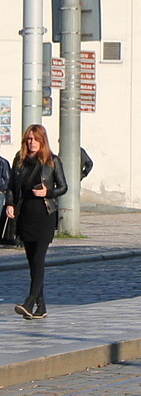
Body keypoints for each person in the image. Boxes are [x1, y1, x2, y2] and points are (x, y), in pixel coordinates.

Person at [4, 124, 68, 320]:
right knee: (32, 263)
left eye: (35, 139)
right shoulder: (20, 161)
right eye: (29, 139)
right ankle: (41, 308)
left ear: (42, 141)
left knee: (39, 261)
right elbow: (11, 187)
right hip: (25, 216)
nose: (32, 143)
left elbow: (63, 187)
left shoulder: (52, 161)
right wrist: (10, 204)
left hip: (44, 216)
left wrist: (48, 192)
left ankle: (29, 302)